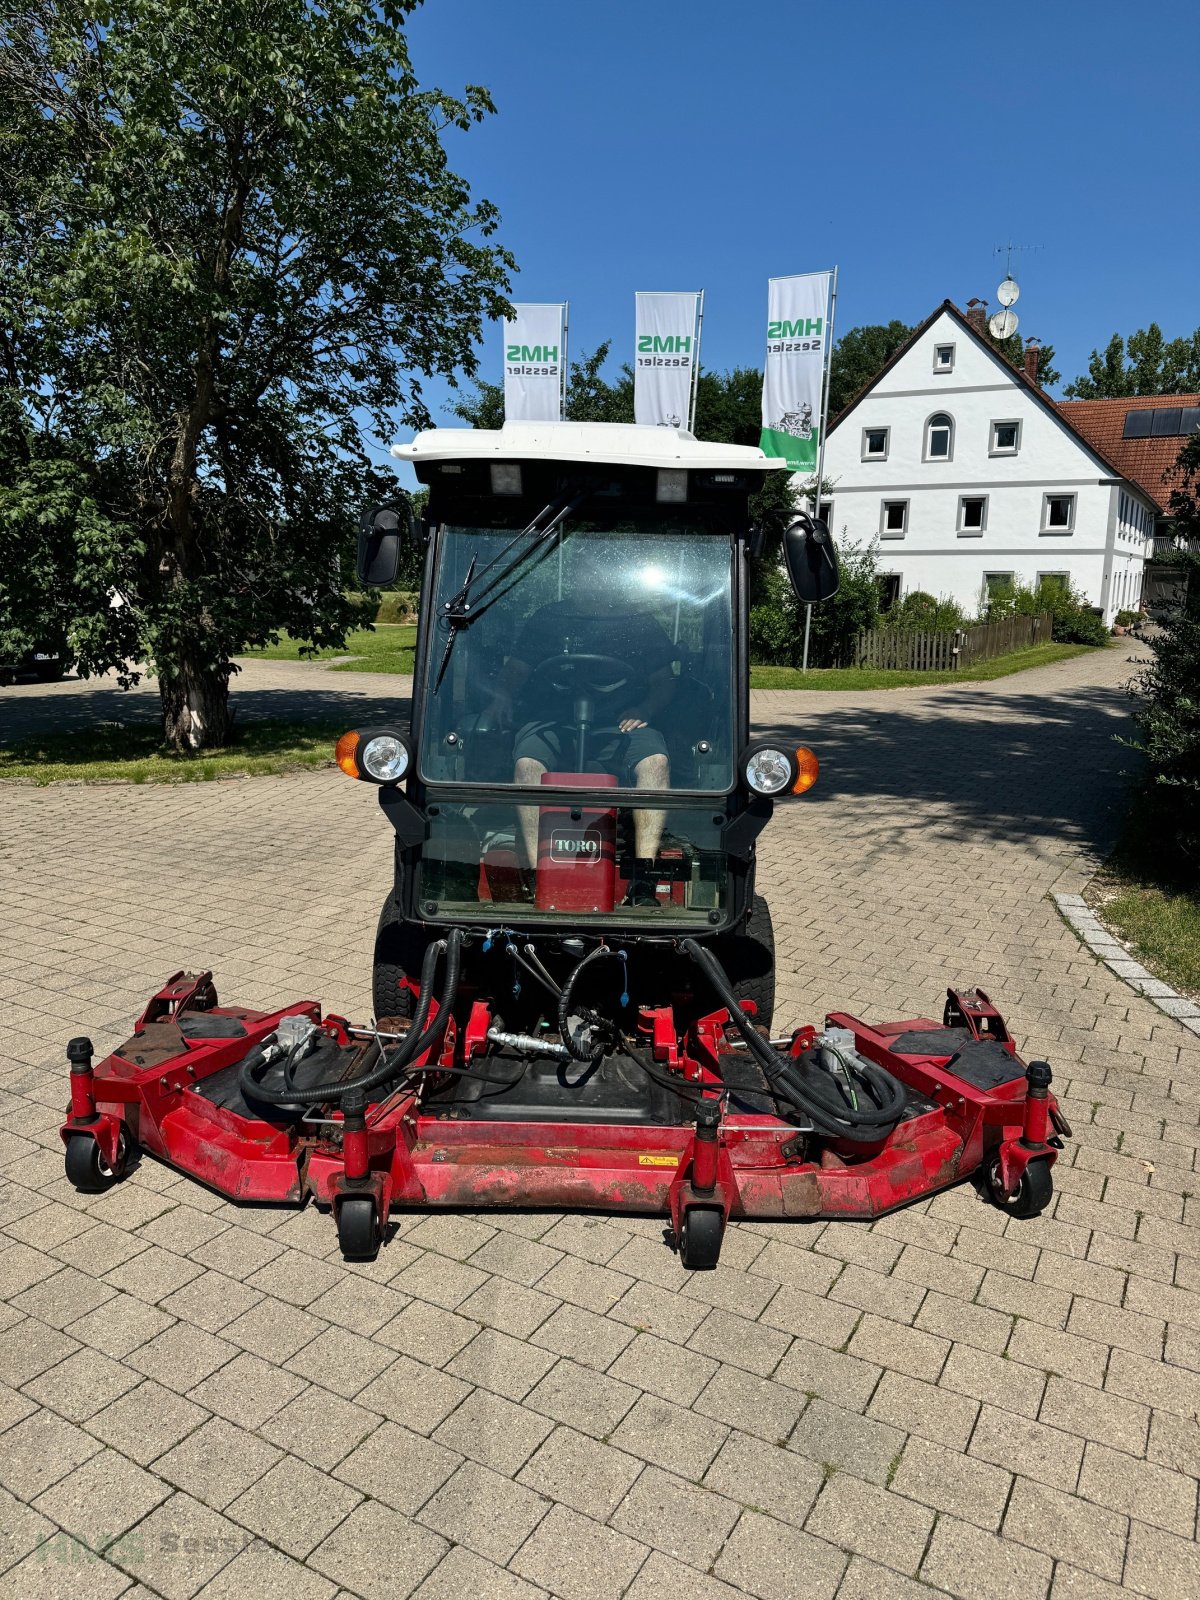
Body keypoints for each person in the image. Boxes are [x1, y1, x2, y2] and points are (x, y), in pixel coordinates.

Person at [483, 565, 677, 905]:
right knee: (528, 764)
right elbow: (515, 670)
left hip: (621, 723)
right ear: (575, 580)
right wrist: (502, 698)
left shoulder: (639, 622)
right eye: (584, 575)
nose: (592, 583)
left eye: (599, 577)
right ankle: (536, 875)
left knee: (655, 762)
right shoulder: (548, 619)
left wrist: (644, 711)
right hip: (553, 722)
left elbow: (664, 682)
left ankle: (644, 878)